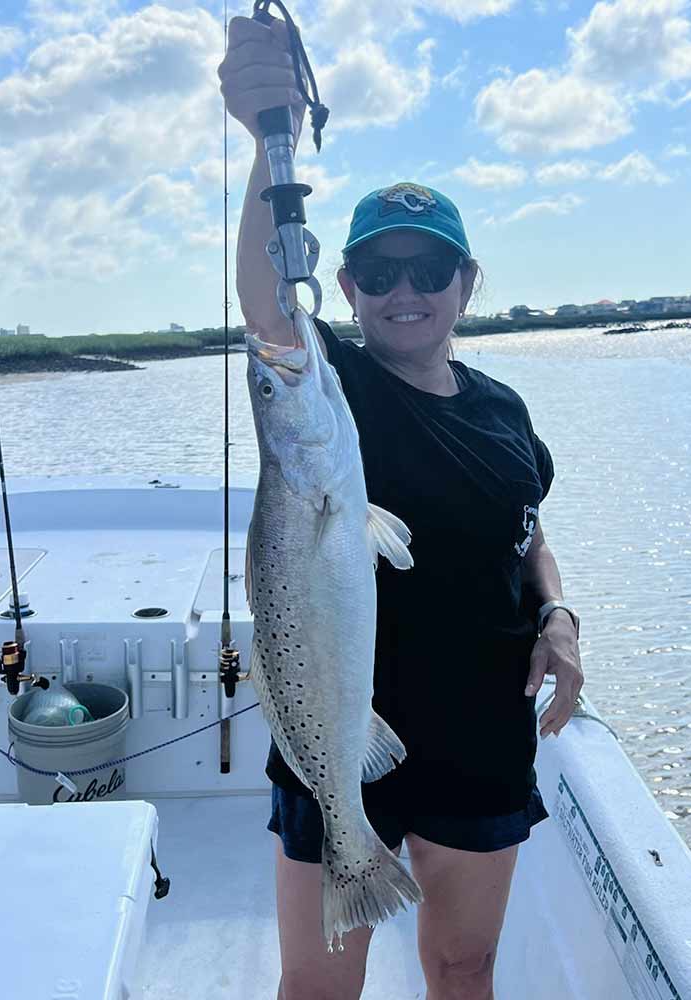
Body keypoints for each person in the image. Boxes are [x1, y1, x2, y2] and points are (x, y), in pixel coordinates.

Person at [219, 15, 584, 1000]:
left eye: (430, 269)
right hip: (340, 737)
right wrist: (266, 141)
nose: (405, 289)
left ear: (467, 284)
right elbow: (266, 309)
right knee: (318, 986)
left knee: (464, 967)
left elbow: (526, 524)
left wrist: (555, 611)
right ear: (348, 288)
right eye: (379, 272)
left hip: (480, 740)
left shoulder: (504, 410)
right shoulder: (334, 385)